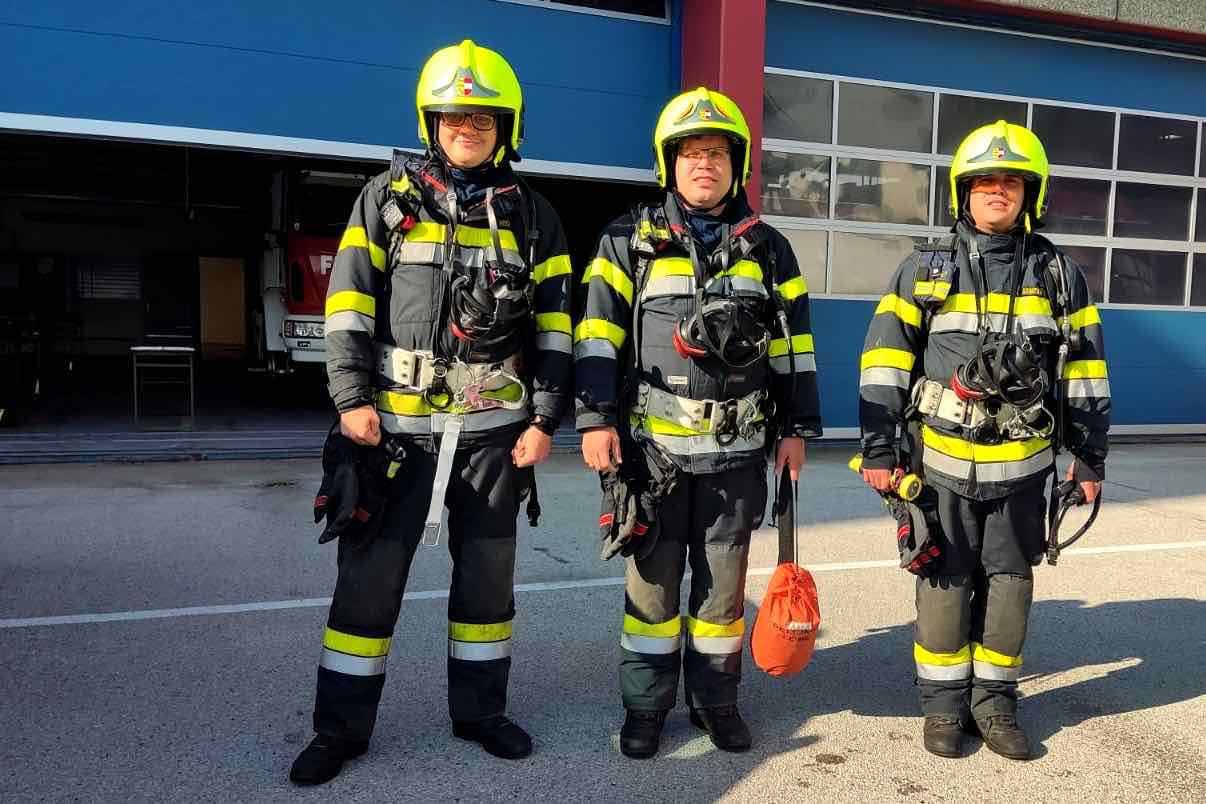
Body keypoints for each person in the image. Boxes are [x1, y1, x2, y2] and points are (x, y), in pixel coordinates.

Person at [289, 39, 572, 785]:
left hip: (494, 438)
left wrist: (544, 419)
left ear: (505, 127)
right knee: (367, 583)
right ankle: (338, 732)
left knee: (487, 583)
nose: (466, 128)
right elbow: (348, 304)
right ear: (430, 122)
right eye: (453, 117)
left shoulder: (535, 217)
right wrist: (350, 399)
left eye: (482, 118)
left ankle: (481, 714)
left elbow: (556, 330)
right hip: (394, 435)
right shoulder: (387, 199)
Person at [575, 87, 822, 759]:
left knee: (722, 596)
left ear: (735, 165)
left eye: (716, 153)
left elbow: (794, 348)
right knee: (652, 592)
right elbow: (597, 336)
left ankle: (716, 703)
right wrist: (595, 420)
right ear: (670, 164)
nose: (703, 164)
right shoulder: (628, 241)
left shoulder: (768, 249)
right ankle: (645, 708)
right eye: (690, 153)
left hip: (735, 459)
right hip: (652, 457)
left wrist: (797, 427)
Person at [857, 120, 1109, 760]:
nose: (999, 191)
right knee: (943, 581)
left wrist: (1088, 457)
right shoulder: (924, 270)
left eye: (1012, 182)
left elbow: (1084, 371)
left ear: (1031, 194)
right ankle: (943, 709)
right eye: (985, 181)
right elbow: (885, 361)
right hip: (939, 466)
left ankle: (994, 705)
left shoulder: (1059, 274)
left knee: (1010, 585)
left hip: (1022, 471)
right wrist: (880, 448)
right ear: (963, 192)